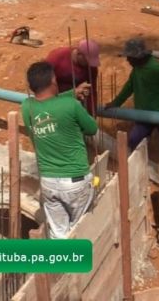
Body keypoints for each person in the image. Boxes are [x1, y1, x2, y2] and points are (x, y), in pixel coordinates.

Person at [21, 61, 98, 239]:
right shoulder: (72, 106)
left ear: (32, 87)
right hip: (76, 182)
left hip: (49, 184)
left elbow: (49, 102)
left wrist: (72, 93)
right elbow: (92, 128)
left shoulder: (27, 107)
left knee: (59, 235)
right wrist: (73, 98)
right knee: (80, 231)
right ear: (54, 81)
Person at [105, 38, 159, 154]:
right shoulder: (136, 70)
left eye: (130, 57)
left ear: (138, 57)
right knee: (133, 144)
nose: (127, 60)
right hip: (144, 115)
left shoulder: (156, 69)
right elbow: (129, 87)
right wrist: (116, 103)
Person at [45, 39, 100, 116]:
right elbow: (43, 84)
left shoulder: (91, 67)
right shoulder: (56, 58)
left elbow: (92, 92)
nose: (89, 64)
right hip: (55, 96)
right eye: (87, 60)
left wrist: (91, 115)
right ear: (79, 53)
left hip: (76, 97)